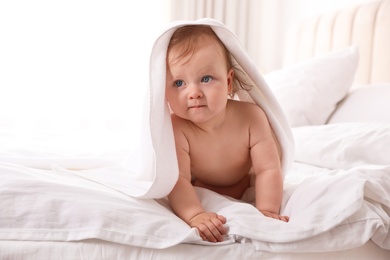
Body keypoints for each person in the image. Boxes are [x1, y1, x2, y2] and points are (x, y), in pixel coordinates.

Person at [165, 25, 289, 243]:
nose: (193, 93)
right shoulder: (177, 127)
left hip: (243, 182)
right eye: (179, 83)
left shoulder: (251, 117)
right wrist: (195, 214)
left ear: (229, 82)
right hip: (200, 185)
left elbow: (268, 168)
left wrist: (267, 210)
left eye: (206, 79)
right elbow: (179, 179)